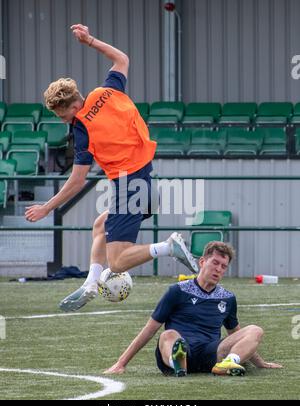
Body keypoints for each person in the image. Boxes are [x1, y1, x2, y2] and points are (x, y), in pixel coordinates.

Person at [25, 24, 198, 312]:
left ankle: (169, 247)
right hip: (144, 177)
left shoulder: (81, 129)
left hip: (129, 184)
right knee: (100, 226)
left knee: (117, 261)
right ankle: (92, 282)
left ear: (72, 105)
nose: (62, 119)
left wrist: (47, 208)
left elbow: (78, 181)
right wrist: (90, 40)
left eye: (61, 114)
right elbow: (122, 59)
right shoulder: (106, 92)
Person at [105, 242, 283, 377]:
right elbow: (149, 330)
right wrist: (121, 363)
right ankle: (178, 365)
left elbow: (236, 333)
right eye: (215, 263)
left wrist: (260, 363)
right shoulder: (177, 291)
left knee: (255, 330)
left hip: (212, 354)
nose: (218, 269)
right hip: (180, 349)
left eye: (223, 266)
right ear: (202, 261)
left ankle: (229, 363)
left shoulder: (227, 298)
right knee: (169, 335)